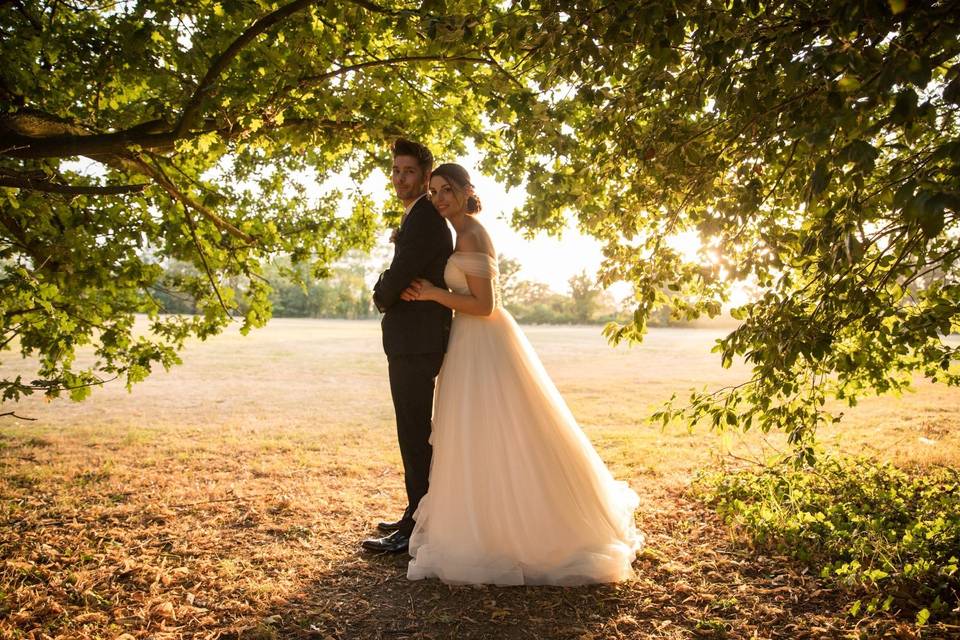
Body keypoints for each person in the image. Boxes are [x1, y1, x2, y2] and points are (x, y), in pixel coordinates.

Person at [399, 163, 644, 585]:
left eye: (447, 190)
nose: (440, 198)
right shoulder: (457, 233)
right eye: (435, 191)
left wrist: (436, 293)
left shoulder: (473, 232)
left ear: (466, 190)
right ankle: (487, 516)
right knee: (476, 433)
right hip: (466, 341)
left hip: (485, 338)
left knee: (509, 427)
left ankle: (527, 527)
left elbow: (485, 305)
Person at [361, 140, 453, 554]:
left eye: (409, 171)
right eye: (396, 170)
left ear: (425, 174)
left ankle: (416, 528)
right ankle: (415, 515)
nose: (400, 178)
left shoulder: (425, 219)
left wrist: (380, 294)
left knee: (414, 434)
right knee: (413, 433)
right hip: (413, 340)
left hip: (416, 342)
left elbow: (398, 276)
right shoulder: (418, 217)